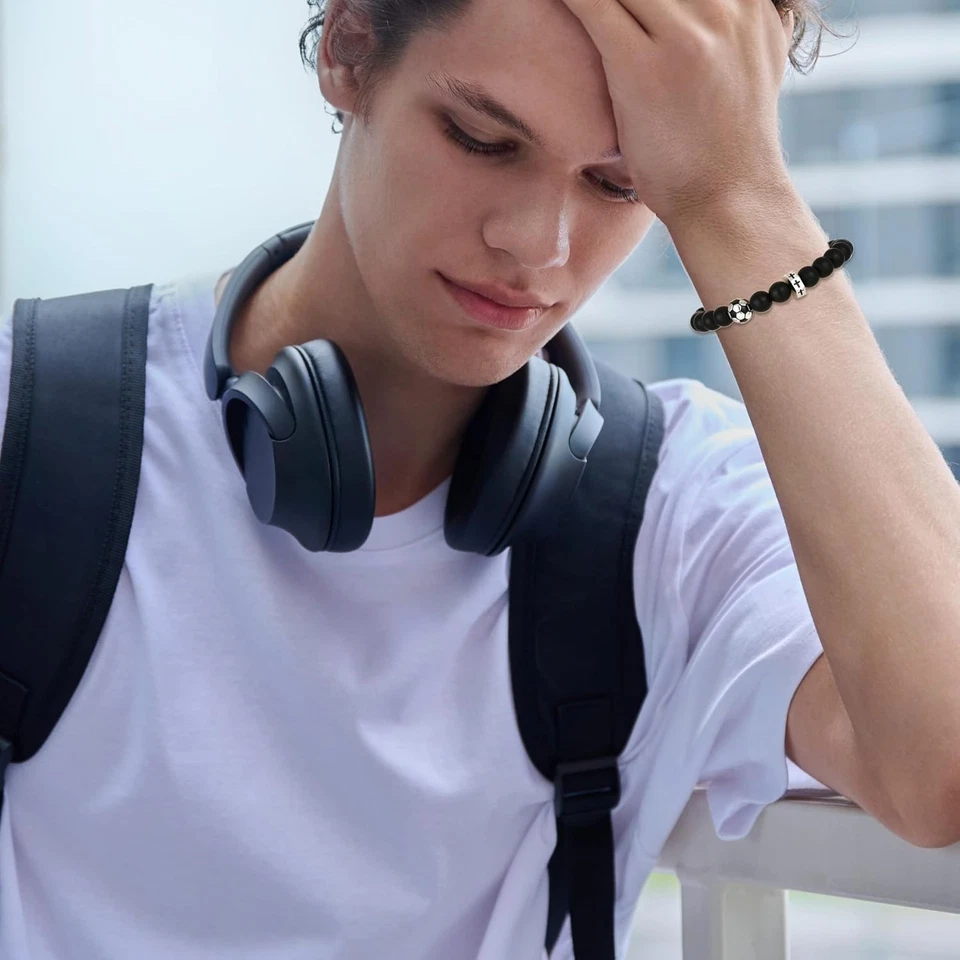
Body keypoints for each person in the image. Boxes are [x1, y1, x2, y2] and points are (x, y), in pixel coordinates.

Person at [2, 1, 960, 958]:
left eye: (619, 185)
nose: (538, 246)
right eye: (482, 139)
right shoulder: (30, 423)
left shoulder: (670, 515)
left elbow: (942, 761)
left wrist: (739, 195)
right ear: (348, 48)